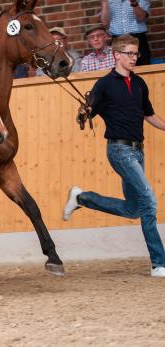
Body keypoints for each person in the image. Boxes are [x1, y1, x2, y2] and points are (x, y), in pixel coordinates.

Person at [63, 35, 165, 277]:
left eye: (135, 54)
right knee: (149, 201)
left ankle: (82, 198)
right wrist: (84, 112)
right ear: (117, 55)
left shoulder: (140, 83)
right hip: (119, 150)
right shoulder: (104, 84)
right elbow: (87, 112)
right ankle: (159, 263)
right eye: (129, 53)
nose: (133, 58)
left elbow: (149, 115)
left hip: (138, 150)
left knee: (133, 209)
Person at [100, 0, 151, 66]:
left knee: (142, 69)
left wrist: (134, 3)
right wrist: (104, 3)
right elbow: (105, 22)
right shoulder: (109, 1)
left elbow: (141, 18)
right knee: (121, 71)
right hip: (117, 40)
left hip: (137, 40)